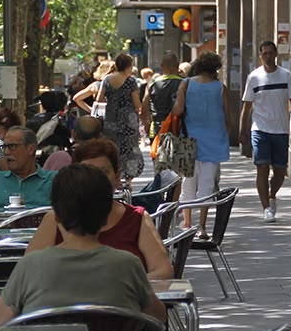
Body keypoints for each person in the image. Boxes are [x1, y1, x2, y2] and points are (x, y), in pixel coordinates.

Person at [0, 162, 167, 326]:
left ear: (56, 215)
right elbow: (158, 316)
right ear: (105, 217)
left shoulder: (31, 266)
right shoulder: (128, 265)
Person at [26, 138, 173, 280]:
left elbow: (163, 271)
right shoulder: (55, 218)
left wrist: (126, 286)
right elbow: (28, 272)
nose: (95, 180)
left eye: (103, 172)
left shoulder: (136, 218)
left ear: (117, 177)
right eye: (87, 172)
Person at [239, 41, 291, 223]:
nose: (268, 56)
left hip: (280, 129)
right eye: (264, 53)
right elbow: (247, 106)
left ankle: (271, 194)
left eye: (270, 53)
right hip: (260, 129)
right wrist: (242, 130)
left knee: (280, 171)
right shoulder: (254, 77)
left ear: (276, 54)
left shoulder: (285, 75)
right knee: (262, 167)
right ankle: (266, 207)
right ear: (260, 56)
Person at [170, 51, 231, 238]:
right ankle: (202, 226)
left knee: (188, 184)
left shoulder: (186, 84)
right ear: (215, 68)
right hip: (213, 142)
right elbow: (228, 116)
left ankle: (187, 223)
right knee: (207, 185)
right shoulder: (221, 88)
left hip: (189, 141)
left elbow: (178, 109)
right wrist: (225, 135)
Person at [0, 126, 56, 209]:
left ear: (30, 149)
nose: (6, 152)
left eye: (12, 146)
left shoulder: (53, 180)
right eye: (4, 147)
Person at [98, 53, 144, 183]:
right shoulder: (130, 81)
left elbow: (99, 99)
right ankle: (127, 181)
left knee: (112, 149)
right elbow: (136, 104)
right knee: (129, 150)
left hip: (111, 119)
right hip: (128, 121)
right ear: (129, 66)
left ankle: (114, 178)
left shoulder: (107, 79)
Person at [145, 52, 184, 136]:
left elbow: (144, 108)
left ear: (162, 66)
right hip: (179, 129)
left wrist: (146, 124)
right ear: (178, 65)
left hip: (157, 129)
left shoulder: (152, 84)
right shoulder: (186, 83)